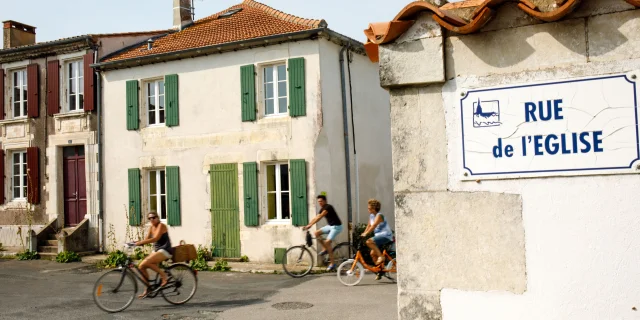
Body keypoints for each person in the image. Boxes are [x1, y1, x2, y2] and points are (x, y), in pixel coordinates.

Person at [130, 211, 174, 298]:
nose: (152, 220)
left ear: (158, 218)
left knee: (147, 262)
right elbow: (146, 239)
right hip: (157, 250)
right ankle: (148, 289)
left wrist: (140, 242)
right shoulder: (151, 227)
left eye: (154, 217)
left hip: (165, 250)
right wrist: (135, 242)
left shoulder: (161, 226)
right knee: (141, 266)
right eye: (150, 218)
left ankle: (164, 276)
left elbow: (155, 238)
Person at [303, 195, 343, 271]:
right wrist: (308, 224)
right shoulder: (322, 209)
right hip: (330, 226)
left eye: (321, 201)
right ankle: (325, 249)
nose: (319, 203)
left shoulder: (328, 207)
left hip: (337, 227)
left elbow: (320, 217)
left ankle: (332, 263)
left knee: (327, 242)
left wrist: (310, 225)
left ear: (325, 201)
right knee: (316, 233)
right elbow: (316, 217)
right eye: (318, 202)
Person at [360, 198, 393, 278]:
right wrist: (364, 233)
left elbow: (374, 225)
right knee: (372, 254)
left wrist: (367, 234)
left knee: (369, 242)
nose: (368, 209)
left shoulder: (379, 216)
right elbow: (369, 226)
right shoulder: (371, 216)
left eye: (369, 208)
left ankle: (381, 257)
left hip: (386, 235)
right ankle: (380, 271)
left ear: (374, 208)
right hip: (378, 236)